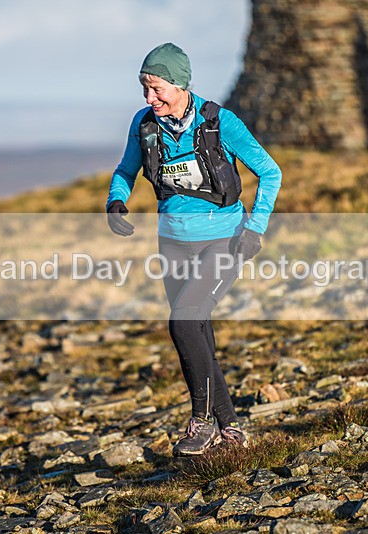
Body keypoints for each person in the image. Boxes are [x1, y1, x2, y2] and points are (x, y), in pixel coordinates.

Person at [105, 43, 282, 456]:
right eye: (143, 89)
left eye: (156, 89)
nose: (149, 99)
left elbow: (270, 172)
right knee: (197, 334)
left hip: (225, 239)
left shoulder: (222, 122)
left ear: (181, 84)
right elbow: (125, 169)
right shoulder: (144, 123)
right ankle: (232, 432)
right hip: (172, 243)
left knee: (183, 324)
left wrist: (255, 228)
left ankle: (201, 422)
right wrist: (116, 199)